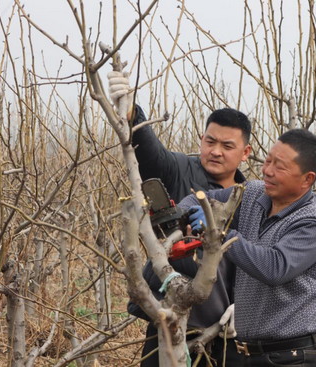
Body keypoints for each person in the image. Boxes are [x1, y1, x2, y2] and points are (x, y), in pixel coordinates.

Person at [108, 71, 251, 366]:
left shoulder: (251, 198)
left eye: (227, 146)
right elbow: (150, 153)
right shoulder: (180, 169)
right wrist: (133, 112)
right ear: (201, 139)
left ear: (245, 152)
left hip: (227, 328)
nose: (215, 151)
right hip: (171, 316)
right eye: (210, 141)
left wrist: (248, 307)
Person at [180, 128, 316, 367]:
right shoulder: (254, 194)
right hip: (250, 354)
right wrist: (180, 215)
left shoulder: (313, 223)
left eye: (280, 167)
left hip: (293, 357)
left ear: (308, 179)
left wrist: (218, 232)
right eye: (268, 160)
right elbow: (201, 198)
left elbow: (274, 268)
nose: (267, 171)